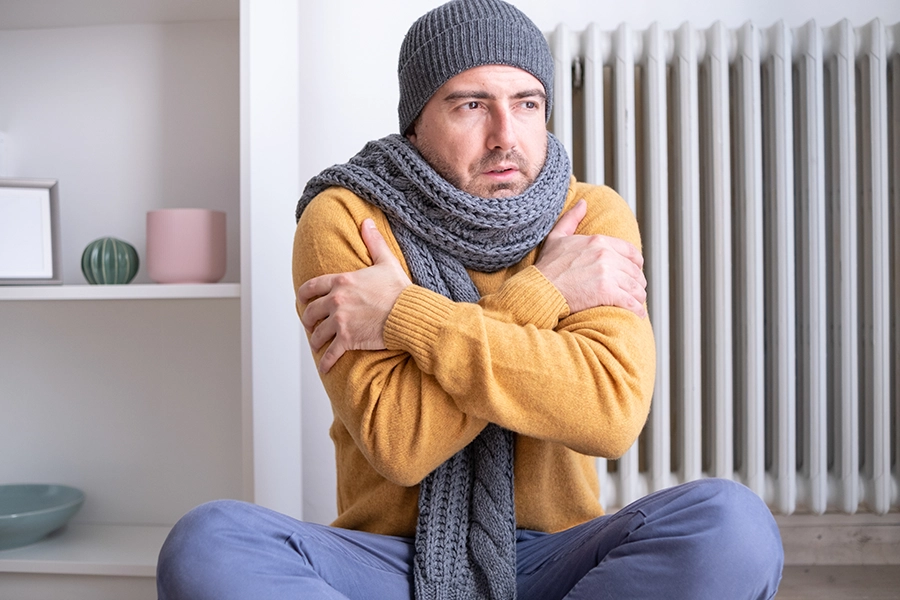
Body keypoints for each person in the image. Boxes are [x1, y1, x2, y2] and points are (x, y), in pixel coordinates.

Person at [156, 0, 784, 598]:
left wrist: (404, 313)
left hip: (555, 553)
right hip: (387, 561)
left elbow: (609, 414)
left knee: (734, 529)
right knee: (208, 545)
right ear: (416, 121)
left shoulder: (591, 215)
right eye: (470, 105)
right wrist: (544, 293)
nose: (504, 135)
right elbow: (402, 444)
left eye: (527, 103)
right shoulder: (344, 218)